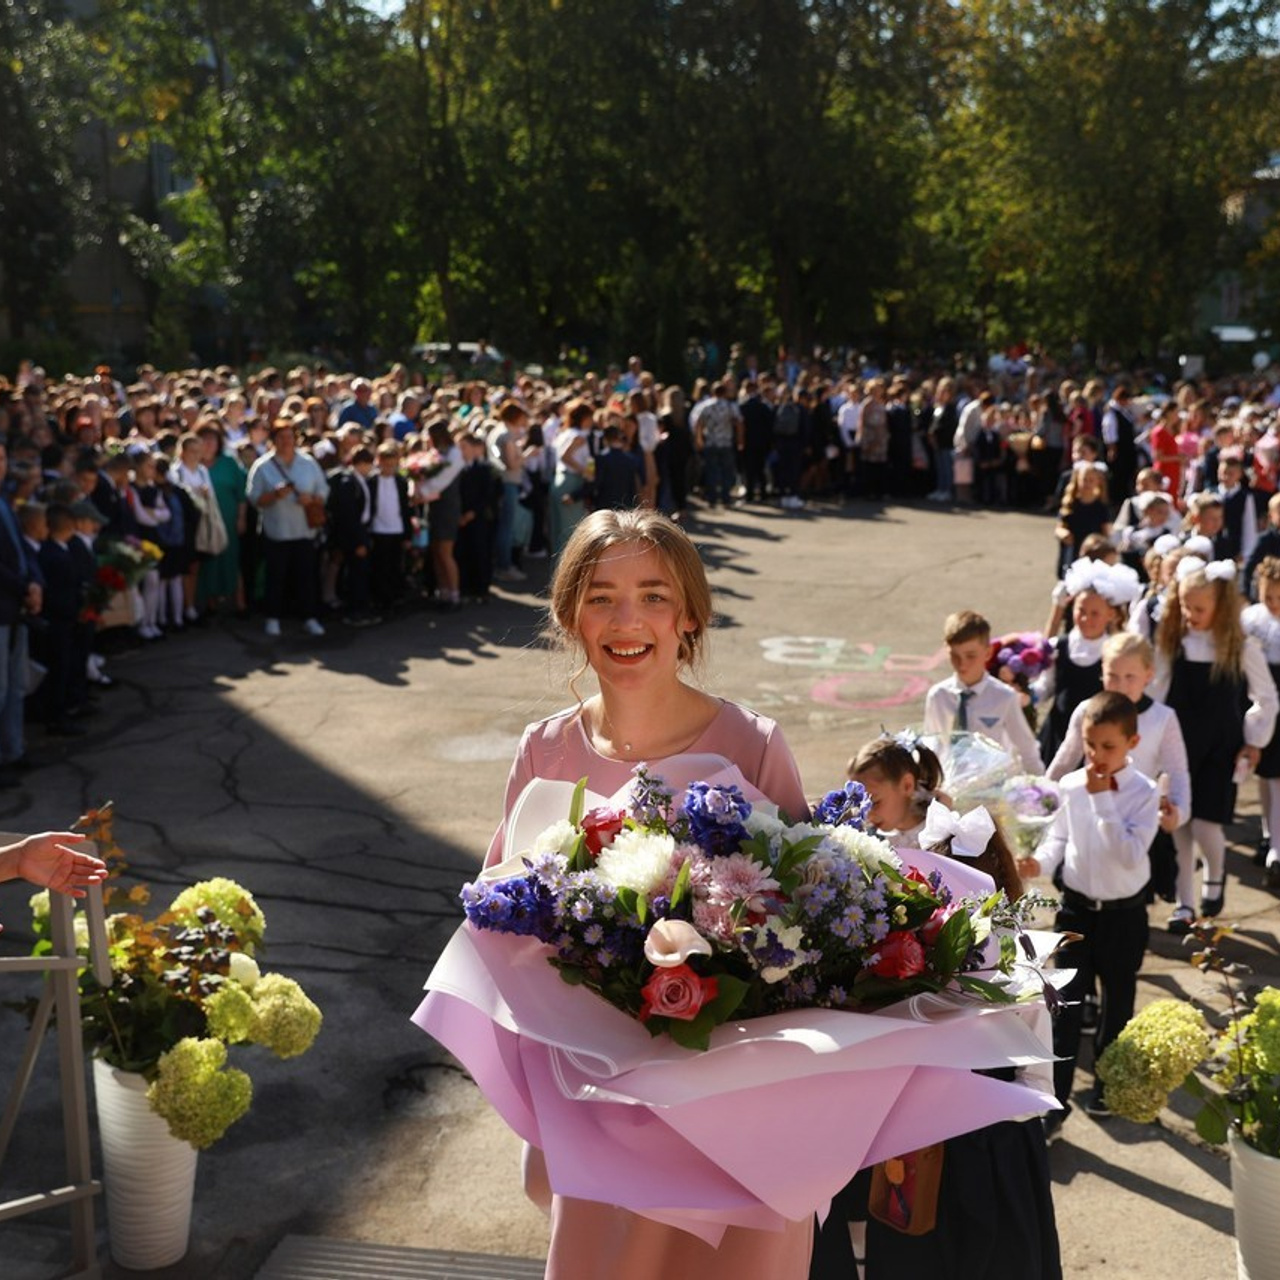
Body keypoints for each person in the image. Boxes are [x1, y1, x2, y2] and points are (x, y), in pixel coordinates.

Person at [472, 508, 812, 1280]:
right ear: (571, 617)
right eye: (601, 598)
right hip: (600, 1115)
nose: (627, 621)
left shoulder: (752, 744)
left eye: (654, 596)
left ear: (689, 615)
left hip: (736, 1125)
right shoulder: (544, 750)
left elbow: (807, 934)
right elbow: (500, 936)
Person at [1022, 691, 1160, 1131]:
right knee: (1064, 1007)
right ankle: (1055, 1105)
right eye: (1090, 744)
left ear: (1132, 743)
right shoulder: (1071, 786)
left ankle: (1105, 1083)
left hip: (1123, 915)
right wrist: (1039, 863)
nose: (1096, 755)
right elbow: (1059, 838)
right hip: (1076, 912)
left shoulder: (1144, 792)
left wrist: (1102, 801)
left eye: (1108, 746)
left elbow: (1130, 854)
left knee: (1116, 1004)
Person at [1153, 557, 1278, 930]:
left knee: (1207, 826)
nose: (1190, 615)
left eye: (1199, 608)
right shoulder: (1174, 643)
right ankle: (1184, 904)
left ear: (1220, 607)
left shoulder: (1240, 648)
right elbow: (1157, 689)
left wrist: (1253, 739)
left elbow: (1266, 698)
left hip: (1221, 749)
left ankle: (1215, 875)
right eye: (1185, 606)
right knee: (1179, 825)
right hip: (1178, 746)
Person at [1034, 560, 1140, 761]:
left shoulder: (1114, 653)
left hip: (1096, 740)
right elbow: (1046, 686)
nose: (1086, 619)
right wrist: (1028, 695)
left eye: (1094, 613)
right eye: (1081, 611)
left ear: (1110, 614)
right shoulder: (1059, 646)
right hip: (1057, 733)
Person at [922, 609, 1043, 772]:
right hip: (950, 782)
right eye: (954, 655)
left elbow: (1027, 750)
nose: (962, 664)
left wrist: (1040, 785)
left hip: (992, 783)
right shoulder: (938, 696)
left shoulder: (1004, 697)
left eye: (970, 656)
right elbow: (932, 746)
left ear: (988, 652)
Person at [245, 418, 330, 639]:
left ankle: (309, 618)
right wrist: (275, 495)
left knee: (306, 577)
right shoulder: (262, 466)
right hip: (276, 533)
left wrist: (312, 499)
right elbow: (254, 499)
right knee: (275, 577)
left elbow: (323, 490)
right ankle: (272, 618)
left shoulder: (308, 463)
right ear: (273, 440)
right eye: (281, 437)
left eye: (289, 437)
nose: (286, 441)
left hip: (304, 531)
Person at [1242, 556, 1280, 890]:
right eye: (1269, 597)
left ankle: (1277, 848)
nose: (1274, 604)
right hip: (1261, 704)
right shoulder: (1251, 620)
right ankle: (1269, 834)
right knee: (1266, 775)